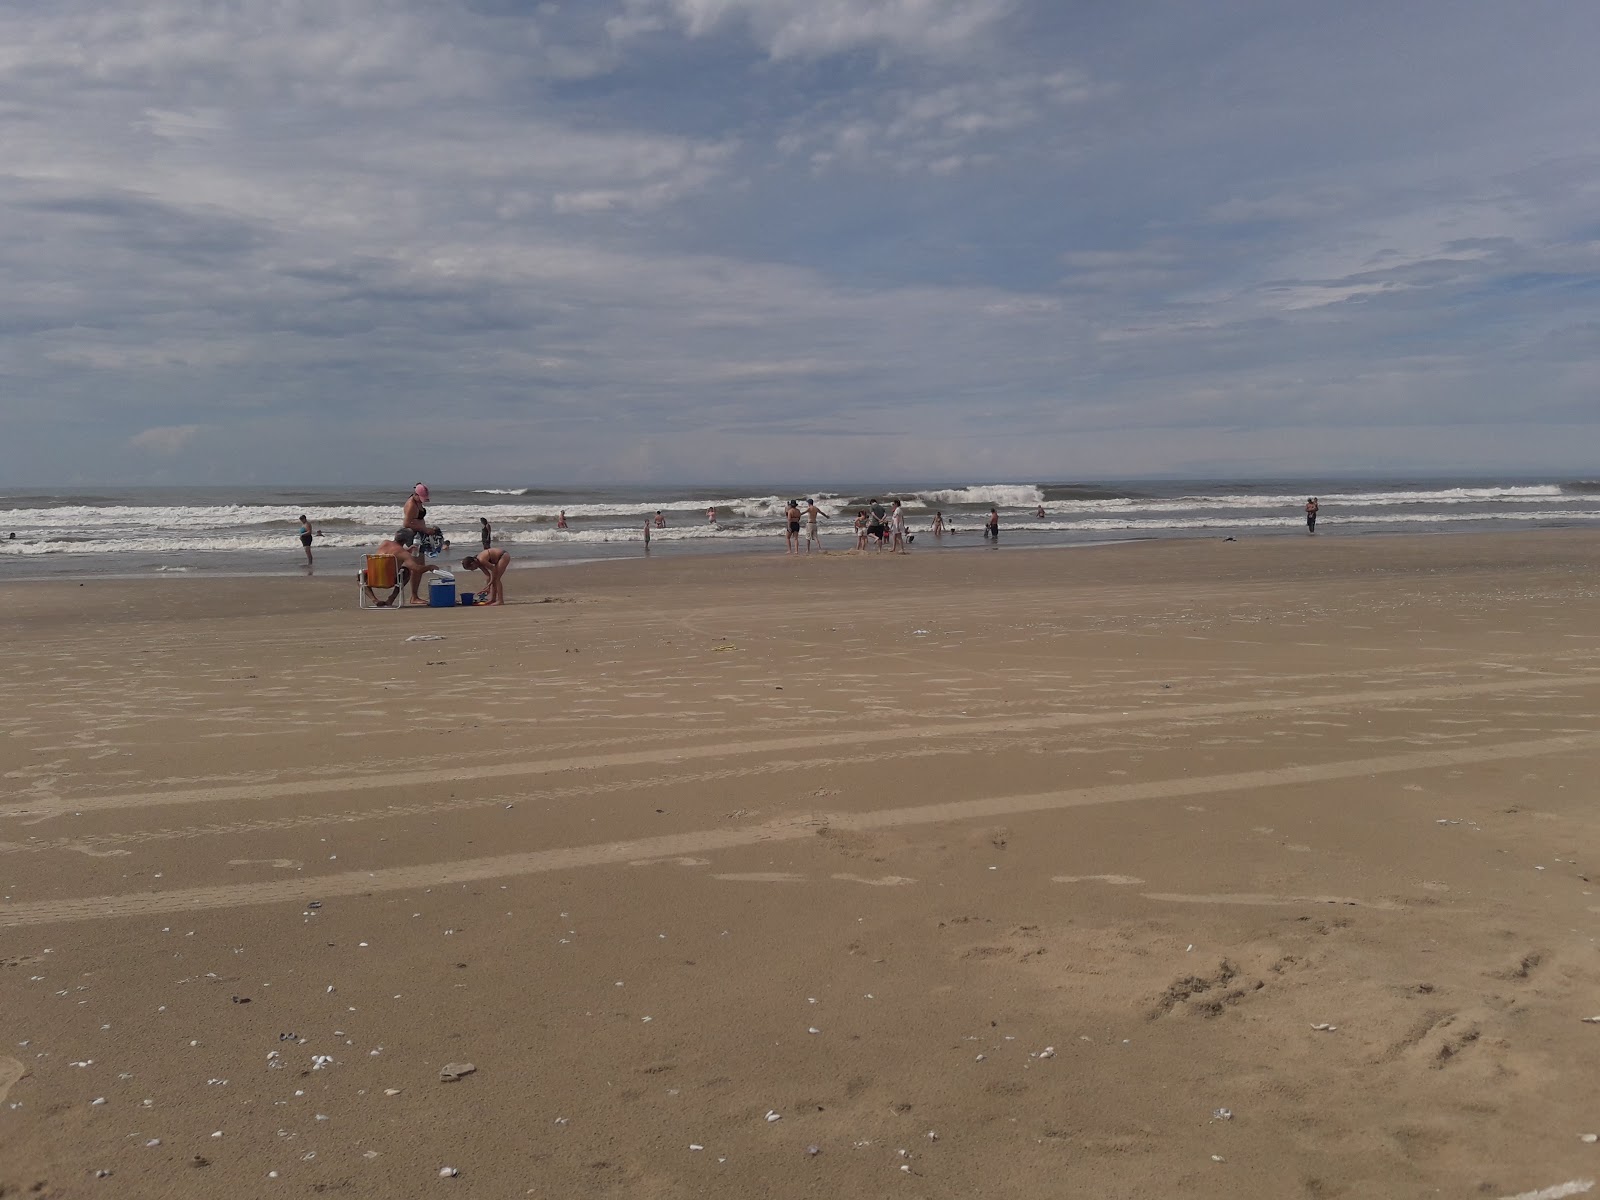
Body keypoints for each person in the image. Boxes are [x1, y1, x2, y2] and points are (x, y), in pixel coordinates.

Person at [372, 537, 436, 606]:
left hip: (373, 579)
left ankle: (374, 600)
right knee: (406, 572)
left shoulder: (385, 543)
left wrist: (405, 551)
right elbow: (416, 569)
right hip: (390, 581)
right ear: (405, 541)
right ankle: (391, 598)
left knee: (360, 576)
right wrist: (429, 567)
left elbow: (393, 551)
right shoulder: (403, 553)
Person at [398, 483, 439, 549]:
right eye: (421, 498)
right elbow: (406, 524)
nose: (422, 501)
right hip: (413, 536)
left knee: (421, 555)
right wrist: (425, 529)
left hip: (419, 534)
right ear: (416, 494)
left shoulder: (417, 501)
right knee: (417, 557)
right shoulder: (411, 505)